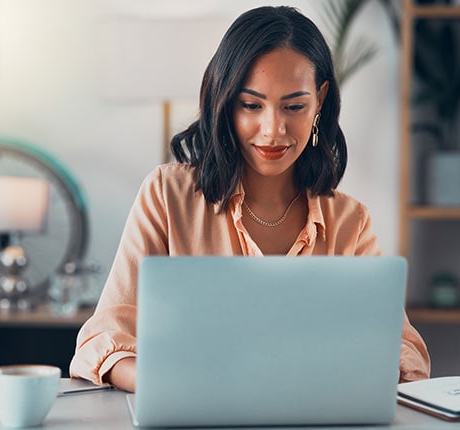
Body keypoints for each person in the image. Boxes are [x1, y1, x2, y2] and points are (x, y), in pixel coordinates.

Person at [70, 5, 430, 392]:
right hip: (193, 411)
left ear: (320, 101)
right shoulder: (166, 196)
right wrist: (167, 384)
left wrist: (351, 373)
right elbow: (102, 340)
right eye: (251, 105)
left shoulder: (349, 222)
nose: (273, 130)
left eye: (294, 106)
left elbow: (402, 350)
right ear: (225, 102)